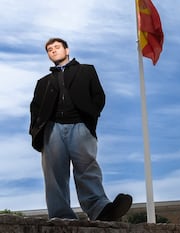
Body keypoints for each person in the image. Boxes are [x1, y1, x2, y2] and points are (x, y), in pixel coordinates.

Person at [29, 38, 132, 221]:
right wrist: (36, 132)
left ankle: (101, 210)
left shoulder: (87, 70)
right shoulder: (43, 82)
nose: (53, 51)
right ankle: (61, 216)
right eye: (49, 49)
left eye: (57, 47)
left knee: (87, 168)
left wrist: (90, 117)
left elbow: (98, 96)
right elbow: (35, 108)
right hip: (52, 130)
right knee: (54, 175)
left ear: (67, 50)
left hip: (80, 126)